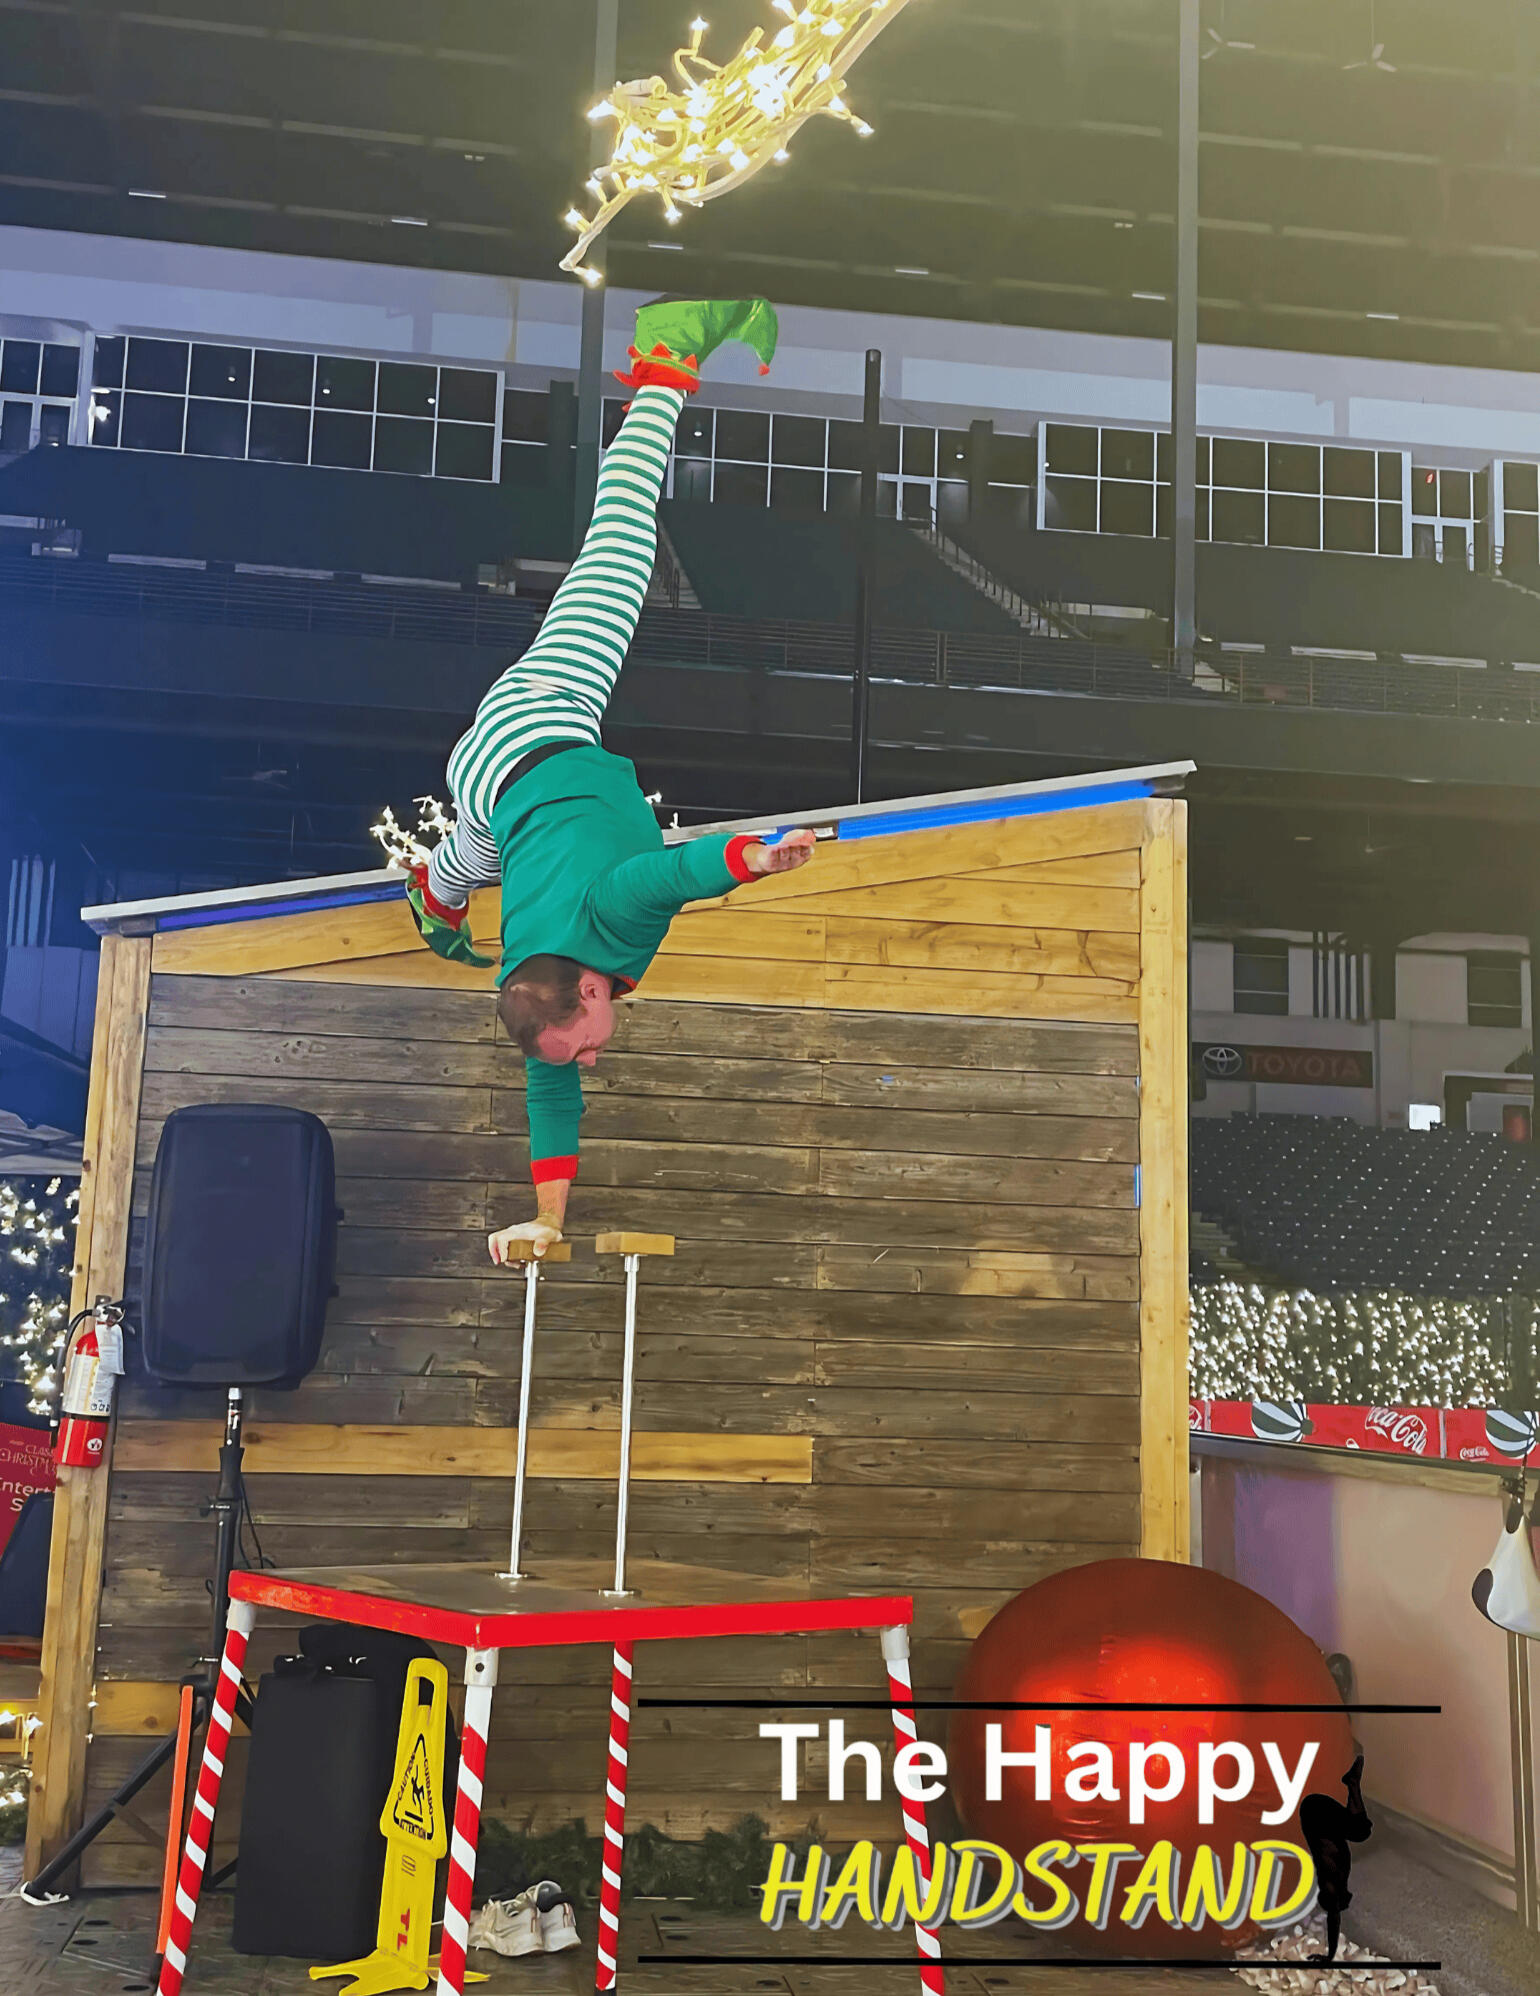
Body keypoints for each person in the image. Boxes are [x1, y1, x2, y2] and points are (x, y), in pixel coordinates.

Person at [404, 298, 814, 1263]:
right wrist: (546, 1222)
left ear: (587, 987)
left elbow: (668, 874)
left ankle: (665, 361)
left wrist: (756, 858)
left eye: (584, 1040)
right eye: (581, 1051)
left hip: (540, 720)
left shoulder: (608, 922)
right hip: (493, 795)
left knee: (620, 556)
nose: (588, 1058)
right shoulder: (531, 980)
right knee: (473, 853)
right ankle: (437, 893)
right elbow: (549, 1099)